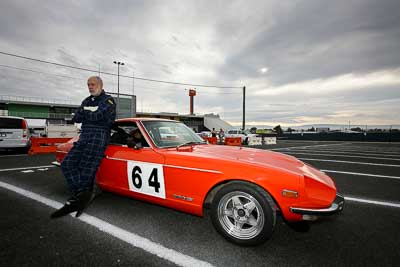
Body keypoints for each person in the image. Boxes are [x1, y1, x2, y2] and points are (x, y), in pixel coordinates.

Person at [51, 76, 116, 218]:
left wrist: (87, 112)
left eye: (92, 84)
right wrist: (89, 111)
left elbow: (97, 115)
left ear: (100, 85)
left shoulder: (108, 100)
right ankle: (82, 195)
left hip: (99, 136)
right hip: (85, 135)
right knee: (67, 164)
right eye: (88, 85)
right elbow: (77, 118)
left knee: (87, 169)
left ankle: (78, 198)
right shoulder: (86, 100)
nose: (90, 87)